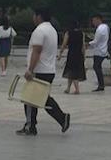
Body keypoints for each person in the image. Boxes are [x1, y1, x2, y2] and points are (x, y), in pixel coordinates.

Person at [18, 8, 71, 136]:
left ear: (39, 16)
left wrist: (30, 69)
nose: (33, 18)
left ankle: (31, 125)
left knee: (29, 99)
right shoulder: (52, 30)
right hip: (49, 69)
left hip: (39, 70)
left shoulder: (39, 31)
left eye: (34, 15)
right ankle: (61, 118)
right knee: (43, 98)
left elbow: (37, 51)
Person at [60, 24, 86, 94]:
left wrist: (60, 53)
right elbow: (83, 45)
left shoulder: (68, 33)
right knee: (72, 71)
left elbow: (64, 44)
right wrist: (84, 55)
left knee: (72, 71)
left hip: (71, 53)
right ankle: (68, 88)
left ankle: (77, 89)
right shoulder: (82, 33)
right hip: (79, 54)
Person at [87, 14, 110, 92]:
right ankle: (101, 84)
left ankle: (101, 84)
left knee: (96, 67)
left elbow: (96, 41)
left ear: (98, 19)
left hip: (99, 51)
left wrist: (88, 44)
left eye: (94, 21)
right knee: (97, 67)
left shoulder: (99, 29)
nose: (93, 22)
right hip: (103, 49)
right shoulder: (106, 27)